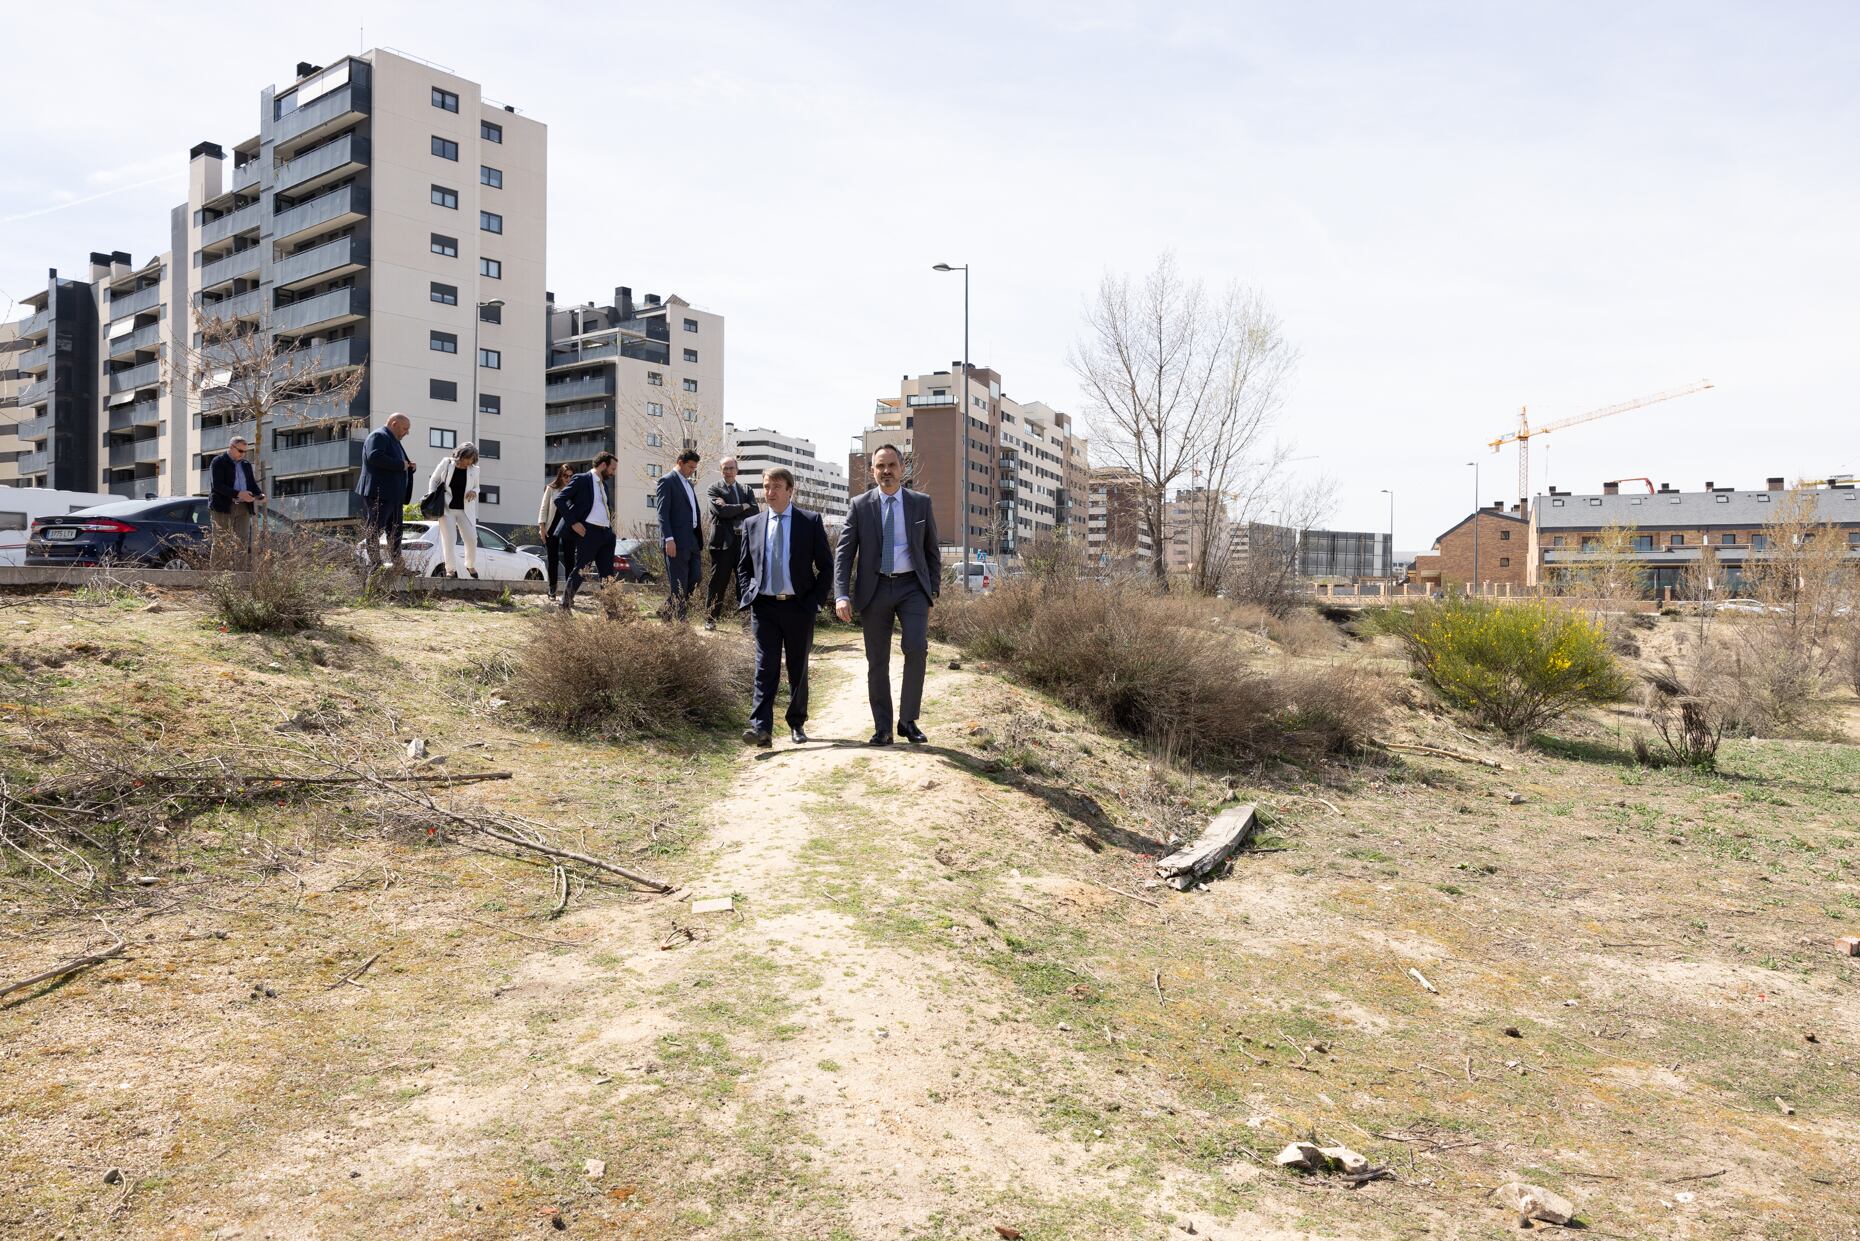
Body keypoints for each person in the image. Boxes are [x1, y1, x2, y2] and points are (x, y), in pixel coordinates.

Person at [834, 443, 940, 745]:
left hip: (912, 589)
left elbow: (932, 549)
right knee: (877, 660)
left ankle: (908, 720)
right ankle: (883, 727)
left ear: (902, 468)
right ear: (872, 470)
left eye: (891, 465)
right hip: (875, 588)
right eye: (880, 466)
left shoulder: (920, 503)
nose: (886, 472)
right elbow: (844, 554)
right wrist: (841, 594)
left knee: (916, 648)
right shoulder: (860, 505)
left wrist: (932, 587)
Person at [736, 468, 833, 747]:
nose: (770, 492)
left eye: (777, 486)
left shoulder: (809, 522)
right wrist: (748, 592)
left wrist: (814, 601)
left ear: (790, 490)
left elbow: (826, 567)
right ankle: (760, 728)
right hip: (764, 607)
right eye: (766, 486)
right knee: (765, 668)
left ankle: (796, 723)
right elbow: (744, 567)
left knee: (797, 667)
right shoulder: (752, 524)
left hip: (798, 607)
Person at [555, 451, 619, 612]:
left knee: (607, 575)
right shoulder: (582, 479)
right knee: (582, 569)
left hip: (606, 534)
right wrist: (574, 523)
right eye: (612, 469)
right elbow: (560, 499)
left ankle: (610, 612)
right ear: (603, 465)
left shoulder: (603, 484)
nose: (613, 473)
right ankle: (565, 606)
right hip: (588, 532)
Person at [704, 455, 758, 631]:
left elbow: (755, 512)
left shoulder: (746, 489)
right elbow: (720, 511)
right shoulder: (714, 489)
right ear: (721, 470)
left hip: (743, 543)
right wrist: (743, 506)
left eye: (731, 468)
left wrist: (732, 508)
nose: (728, 471)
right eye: (725, 468)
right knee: (718, 583)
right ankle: (710, 620)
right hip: (722, 544)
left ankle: (745, 623)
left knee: (744, 583)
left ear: (737, 470)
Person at [357, 413, 417, 569]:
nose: (407, 432)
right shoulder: (379, 435)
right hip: (379, 493)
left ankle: (397, 566)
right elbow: (374, 457)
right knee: (375, 529)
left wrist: (409, 467)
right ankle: (375, 564)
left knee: (395, 533)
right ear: (394, 423)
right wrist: (400, 465)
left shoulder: (394, 440)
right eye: (405, 428)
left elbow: (398, 463)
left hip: (394, 495)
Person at [656, 448, 705, 621]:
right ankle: (681, 623)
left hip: (692, 539)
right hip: (675, 541)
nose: (692, 471)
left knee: (696, 578)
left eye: (694, 468)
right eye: (690, 467)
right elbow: (662, 513)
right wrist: (668, 538)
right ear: (680, 462)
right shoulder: (667, 481)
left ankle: (666, 611)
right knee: (679, 584)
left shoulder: (688, 484)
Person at [207, 435, 265, 568]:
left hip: (244, 508)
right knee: (221, 541)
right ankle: (217, 578)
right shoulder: (218, 462)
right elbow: (217, 486)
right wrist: (239, 493)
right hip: (223, 507)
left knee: (242, 542)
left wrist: (259, 494)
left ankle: (240, 577)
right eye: (240, 451)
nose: (243, 454)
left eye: (245, 451)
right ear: (231, 447)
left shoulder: (246, 465)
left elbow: (251, 484)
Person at [426, 444, 481, 578]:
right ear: (460, 455)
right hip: (446, 508)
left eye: (472, 459)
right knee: (449, 540)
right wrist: (432, 495)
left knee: (472, 538)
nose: (468, 462)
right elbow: (434, 479)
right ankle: (450, 570)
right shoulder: (447, 463)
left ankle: (470, 564)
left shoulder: (475, 470)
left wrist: (474, 491)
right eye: (467, 458)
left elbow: (477, 487)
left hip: (465, 509)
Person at [537, 463, 574, 602]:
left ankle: (569, 592)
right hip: (552, 527)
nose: (568, 479)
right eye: (565, 476)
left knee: (570, 560)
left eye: (570, 476)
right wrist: (542, 528)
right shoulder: (551, 489)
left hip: (568, 528)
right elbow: (543, 509)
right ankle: (552, 589)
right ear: (561, 475)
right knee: (553, 559)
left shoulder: (574, 490)